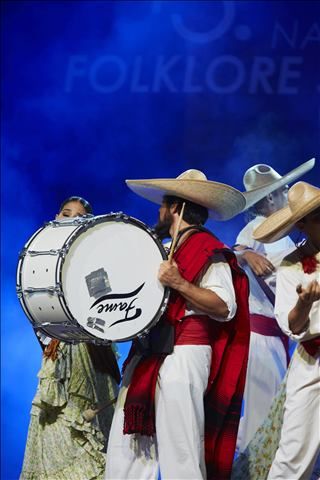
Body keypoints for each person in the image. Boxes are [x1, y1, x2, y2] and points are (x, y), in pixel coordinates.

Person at [105, 169, 250, 480]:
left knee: (180, 454)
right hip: (149, 355)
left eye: (162, 205)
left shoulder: (207, 248)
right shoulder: (164, 247)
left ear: (175, 207)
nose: (158, 211)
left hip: (184, 354)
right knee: (125, 452)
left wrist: (180, 283)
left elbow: (224, 306)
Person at [20, 196, 121, 480]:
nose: (72, 218)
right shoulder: (40, 259)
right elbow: (34, 307)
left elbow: (105, 304)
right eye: (67, 213)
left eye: (80, 216)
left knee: (89, 434)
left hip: (91, 355)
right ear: (57, 217)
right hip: (58, 356)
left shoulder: (94, 263)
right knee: (57, 430)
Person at [234, 159, 315, 453]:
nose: (286, 196)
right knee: (263, 411)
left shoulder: (275, 235)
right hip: (263, 338)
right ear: (270, 197)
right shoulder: (255, 233)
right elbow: (233, 252)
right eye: (282, 191)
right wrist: (242, 254)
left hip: (277, 336)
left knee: (272, 410)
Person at [253, 181, 320, 479]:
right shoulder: (292, 266)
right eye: (318, 216)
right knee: (294, 454)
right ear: (302, 224)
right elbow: (292, 325)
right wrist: (304, 303)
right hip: (313, 364)